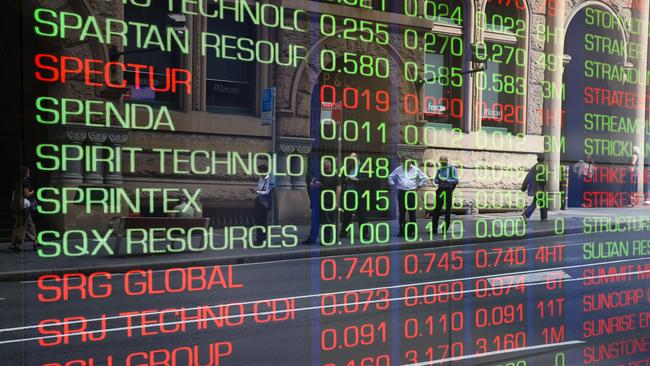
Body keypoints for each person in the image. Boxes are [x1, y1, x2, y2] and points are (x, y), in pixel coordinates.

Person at [389, 158, 429, 237]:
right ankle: (402, 231)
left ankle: (412, 231)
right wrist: (394, 186)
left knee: (412, 212)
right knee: (402, 212)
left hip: (411, 192)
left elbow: (424, 178)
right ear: (403, 162)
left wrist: (419, 186)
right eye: (406, 162)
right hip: (401, 192)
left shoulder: (415, 169)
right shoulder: (399, 169)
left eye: (409, 162)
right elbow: (390, 177)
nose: (408, 164)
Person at [340, 152, 371, 239]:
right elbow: (342, 178)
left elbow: (369, 179)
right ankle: (344, 232)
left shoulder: (364, 167)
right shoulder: (348, 167)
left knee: (362, 215)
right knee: (347, 214)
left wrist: (357, 179)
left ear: (357, 158)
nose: (351, 160)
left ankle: (365, 234)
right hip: (349, 194)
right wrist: (346, 179)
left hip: (359, 194)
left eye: (352, 158)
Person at [10, 166, 40, 252]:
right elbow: (26, 194)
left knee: (25, 225)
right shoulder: (25, 182)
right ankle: (16, 244)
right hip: (24, 208)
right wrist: (33, 192)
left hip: (17, 207)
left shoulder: (17, 183)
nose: (29, 173)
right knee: (25, 226)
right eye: (28, 172)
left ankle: (34, 242)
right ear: (25, 173)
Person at [310, 160, 340, 245]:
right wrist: (315, 184)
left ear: (330, 165)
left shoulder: (334, 175)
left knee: (328, 221)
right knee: (316, 220)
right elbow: (311, 184)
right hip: (319, 201)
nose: (325, 167)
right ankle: (313, 238)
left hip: (329, 201)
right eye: (324, 166)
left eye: (326, 165)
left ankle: (326, 240)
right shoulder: (320, 174)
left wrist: (336, 202)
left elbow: (338, 188)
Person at [430, 156, 458, 234]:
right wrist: (438, 180)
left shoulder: (452, 169)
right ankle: (434, 229)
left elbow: (456, 180)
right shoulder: (439, 169)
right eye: (441, 162)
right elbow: (435, 180)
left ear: (446, 161)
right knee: (436, 210)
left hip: (448, 190)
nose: (442, 164)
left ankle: (444, 229)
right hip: (440, 190)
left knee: (447, 210)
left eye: (443, 163)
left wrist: (447, 180)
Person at [521, 154, 548, 222]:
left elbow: (527, 178)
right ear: (543, 159)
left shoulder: (533, 167)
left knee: (542, 202)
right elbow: (544, 179)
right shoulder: (543, 167)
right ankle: (526, 214)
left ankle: (544, 218)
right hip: (541, 189)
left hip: (535, 189)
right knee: (537, 203)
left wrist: (523, 187)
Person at [254, 164, 272, 245]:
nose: (260, 173)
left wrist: (257, 192)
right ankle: (259, 238)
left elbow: (267, 192)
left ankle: (262, 239)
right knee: (258, 220)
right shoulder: (260, 179)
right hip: (259, 200)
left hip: (265, 202)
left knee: (262, 221)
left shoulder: (269, 179)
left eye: (261, 171)